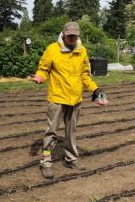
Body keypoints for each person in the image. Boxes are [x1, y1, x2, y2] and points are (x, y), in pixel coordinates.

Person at [33, 22, 108, 179]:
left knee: (71, 132)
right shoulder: (52, 49)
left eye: (75, 35)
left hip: (75, 98)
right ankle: (46, 161)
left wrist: (95, 89)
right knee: (51, 132)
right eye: (70, 35)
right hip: (57, 98)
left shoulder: (82, 51)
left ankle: (71, 159)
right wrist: (40, 75)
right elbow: (44, 68)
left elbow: (85, 75)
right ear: (64, 34)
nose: (73, 38)